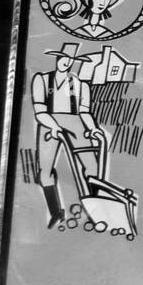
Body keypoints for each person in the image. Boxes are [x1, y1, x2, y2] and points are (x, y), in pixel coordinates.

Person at [31, 42, 105, 229]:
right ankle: (56, 213)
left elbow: (85, 112)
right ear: (57, 58)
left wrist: (93, 128)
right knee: (45, 171)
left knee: (92, 167)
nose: (67, 62)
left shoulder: (80, 85)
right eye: (64, 58)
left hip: (75, 124)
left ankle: (92, 211)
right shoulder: (42, 79)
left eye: (71, 60)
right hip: (48, 122)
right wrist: (53, 126)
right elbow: (39, 110)